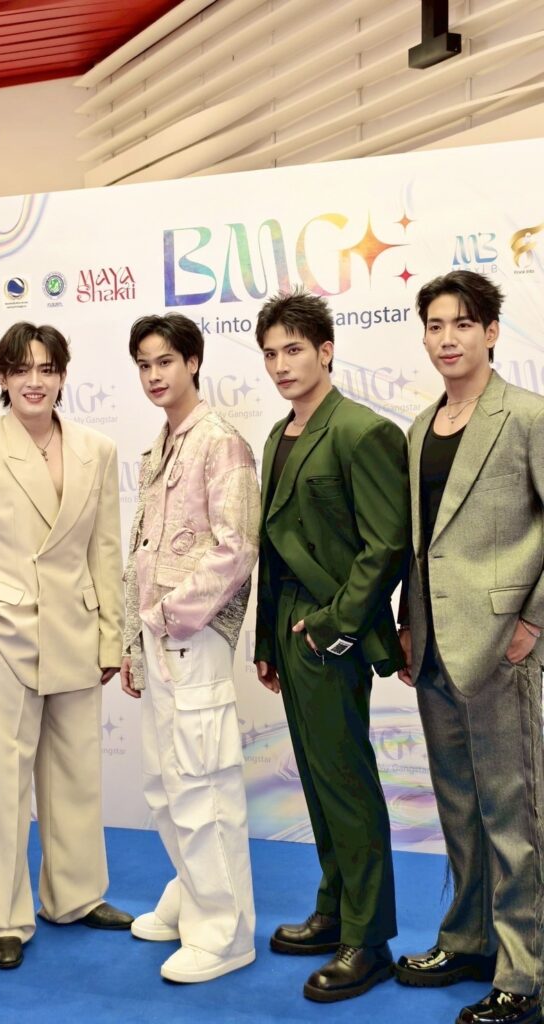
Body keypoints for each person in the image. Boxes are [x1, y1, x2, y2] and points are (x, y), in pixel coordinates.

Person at [0, 321, 132, 971]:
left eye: (47, 369)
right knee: (4, 784)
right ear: (3, 377)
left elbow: (105, 549)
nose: (35, 381)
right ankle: (4, 917)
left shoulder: (97, 449)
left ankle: (74, 896)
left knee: (76, 774)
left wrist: (111, 637)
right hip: (7, 636)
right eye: (22, 370)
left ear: (63, 376)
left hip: (76, 629)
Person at [394, 271, 544, 1024]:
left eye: (462, 323)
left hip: (502, 644)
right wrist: (407, 622)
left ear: (490, 331)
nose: (447, 338)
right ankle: (467, 939)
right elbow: (420, 541)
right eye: (435, 325)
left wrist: (533, 622)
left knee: (513, 815)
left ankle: (524, 972)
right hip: (433, 647)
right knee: (458, 806)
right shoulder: (421, 426)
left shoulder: (528, 416)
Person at [253, 289, 409, 1002]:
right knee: (318, 781)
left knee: (345, 780)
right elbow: (271, 546)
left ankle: (367, 939)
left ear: (325, 351)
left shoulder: (362, 430)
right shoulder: (277, 434)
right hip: (289, 627)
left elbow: (386, 546)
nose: (281, 365)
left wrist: (332, 626)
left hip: (331, 632)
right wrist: (266, 639)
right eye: (270, 353)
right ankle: (335, 909)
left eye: (293, 350)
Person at [121, 313, 259, 984]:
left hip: (192, 636)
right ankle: (194, 892)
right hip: (157, 638)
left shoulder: (220, 442)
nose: (154, 375)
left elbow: (237, 547)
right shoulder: (162, 444)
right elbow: (142, 551)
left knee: (203, 785)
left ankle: (225, 933)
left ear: (193, 363)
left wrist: (171, 617)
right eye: (144, 364)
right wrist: (133, 636)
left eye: (165, 361)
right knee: (164, 783)